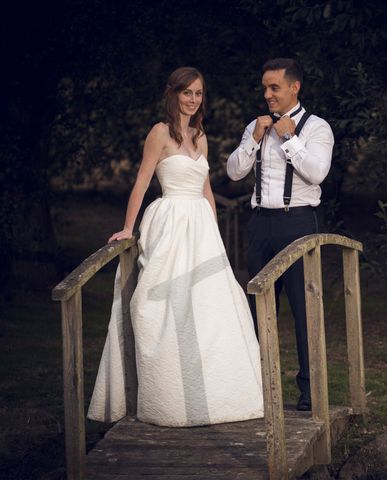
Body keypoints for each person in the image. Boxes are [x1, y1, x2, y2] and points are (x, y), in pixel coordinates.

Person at [88, 67, 263, 427]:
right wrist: (127, 228)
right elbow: (141, 182)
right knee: (164, 304)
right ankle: (167, 398)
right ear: (174, 94)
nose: (193, 99)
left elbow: (207, 189)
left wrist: (213, 234)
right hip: (170, 221)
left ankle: (219, 395)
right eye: (187, 93)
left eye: (199, 93)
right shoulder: (159, 133)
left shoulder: (201, 136)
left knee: (210, 305)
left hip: (200, 226)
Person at [227, 58, 334, 411]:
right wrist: (254, 140)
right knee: (258, 308)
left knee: (303, 308)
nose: (267, 94)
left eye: (274, 87)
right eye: (265, 88)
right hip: (259, 224)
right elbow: (234, 172)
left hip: (298, 223)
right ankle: (256, 390)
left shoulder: (317, 128)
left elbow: (316, 173)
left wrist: (288, 136)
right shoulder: (255, 126)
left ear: (294, 87)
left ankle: (309, 390)